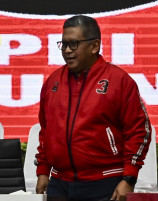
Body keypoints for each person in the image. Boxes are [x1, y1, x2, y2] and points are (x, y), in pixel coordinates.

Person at [35, 15, 151, 201]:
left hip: (105, 184)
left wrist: (129, 178)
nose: (67, 51)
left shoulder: (119, 81)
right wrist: (43, 170)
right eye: (63, 44)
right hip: (59, 183)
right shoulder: (53, 82)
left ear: (95, 46)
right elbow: (47, 130)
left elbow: (139, 131)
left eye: (73, 44)